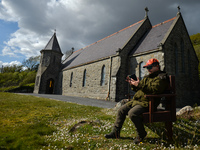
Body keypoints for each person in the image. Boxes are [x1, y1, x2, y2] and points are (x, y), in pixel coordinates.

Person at [104, 58, 169, 144]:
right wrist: (133, 84)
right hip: (137, 101)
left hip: (148, 103)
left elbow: (155, 89)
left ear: (157, 66)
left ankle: (141, 134)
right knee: (121, 110)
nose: (148, 69)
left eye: (150, 67)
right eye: (147, 68)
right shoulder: (147, 77)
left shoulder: (161, 77)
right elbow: (139, 89)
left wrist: (139, 84)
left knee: (132, 114)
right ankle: (115, 132)